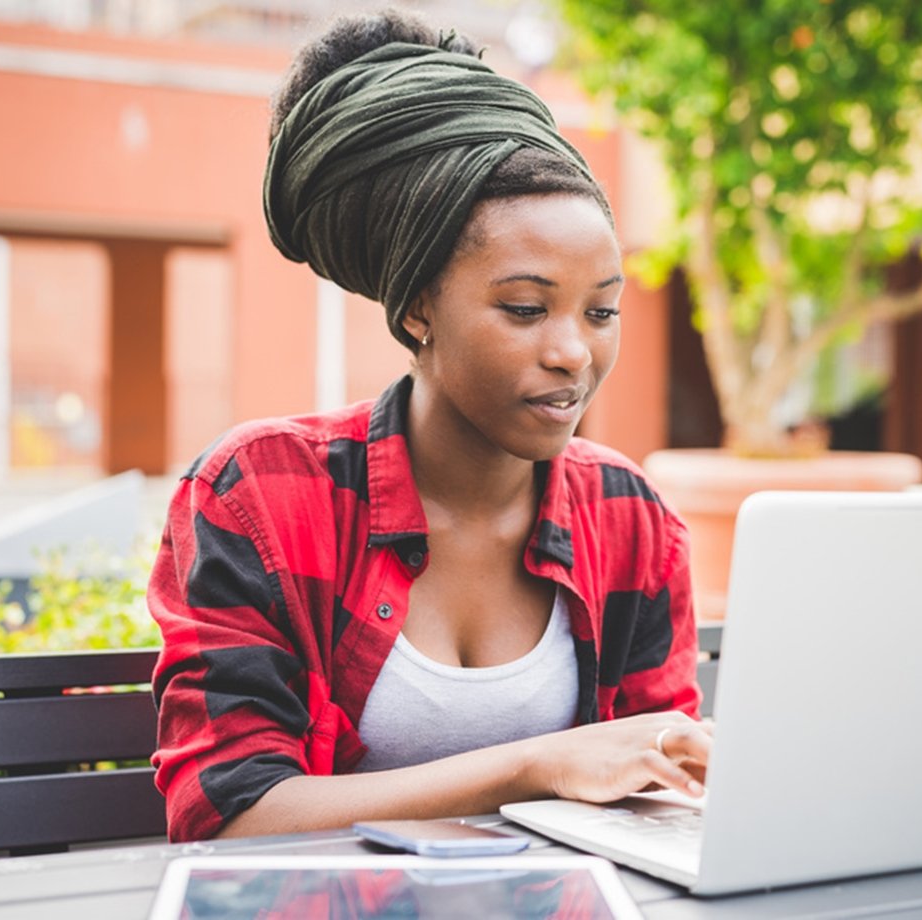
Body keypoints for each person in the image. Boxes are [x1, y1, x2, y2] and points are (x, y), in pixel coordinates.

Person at [149, 8, 710, 844]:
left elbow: (662, 787)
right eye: (525, 308)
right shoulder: (258, 495)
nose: (573, 353)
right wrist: (535, 764)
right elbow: (226, 812)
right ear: (416, 312)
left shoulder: (629, 518)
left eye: (602, 311)